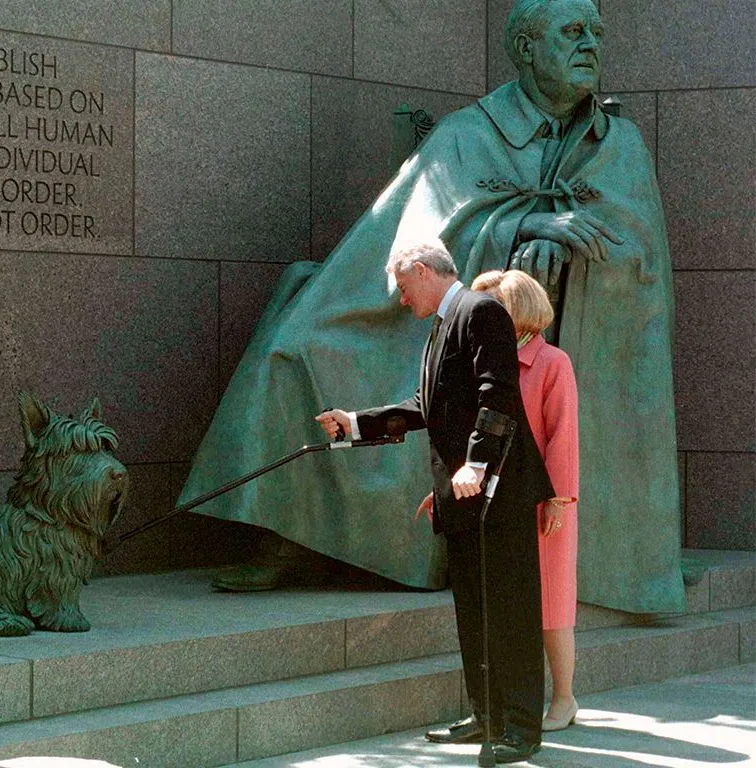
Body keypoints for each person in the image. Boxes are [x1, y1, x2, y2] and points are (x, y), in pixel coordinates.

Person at [181, 0, 684, 616]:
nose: (591, 46)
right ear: (525, 48)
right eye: (573, 32)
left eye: (597, 34)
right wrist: (522, 225)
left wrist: (559, 251)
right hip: (424, 314)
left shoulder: (617, 142)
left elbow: (638, 255)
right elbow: (414, 242)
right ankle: (295, 531)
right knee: (300, 343)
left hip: (536, 337)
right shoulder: (464, 134)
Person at [317, 242, 554, 763]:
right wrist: (357, 424)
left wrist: (477, 461)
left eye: (403, 286)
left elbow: (498, 392)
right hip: (464, 497)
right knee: (474, 610)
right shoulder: (442, 327)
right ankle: (486, 716)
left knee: (508, 610)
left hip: (495, 492)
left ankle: (519, 730)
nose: (402, 299)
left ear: (422, 270)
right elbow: (428, 406)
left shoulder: (481, 311)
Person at [470, 269, 580, 731]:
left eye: (492, 307)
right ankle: (516, 702)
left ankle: (564, 699)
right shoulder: (488, 363)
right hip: (498, 498)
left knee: (551, 606)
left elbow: (563, 436)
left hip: (545, 503)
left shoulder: (553, 362)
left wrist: (558, 498)